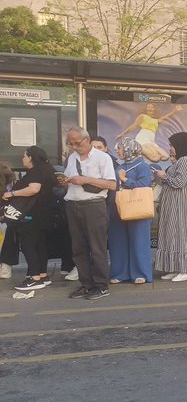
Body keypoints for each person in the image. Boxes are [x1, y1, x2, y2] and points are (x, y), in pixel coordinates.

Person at [62, 127, 117, 299]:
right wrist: (65, 181)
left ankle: (101, 285)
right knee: (78, 248)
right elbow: (70, 177)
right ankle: (86, 284)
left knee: (97, 246)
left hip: (94, 206)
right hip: (73, 204)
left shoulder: (103, 158)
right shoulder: (72, 158)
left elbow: (112, 184)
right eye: (70, 144)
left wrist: (85, 180)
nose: (73, 147)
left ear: (86, 139)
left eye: (76, 143)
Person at [5, 146, 56, 291]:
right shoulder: (47, 170)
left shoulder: (36, 172)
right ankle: (42, 274)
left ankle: (34, 277)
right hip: (44, 214)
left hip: (32, 214)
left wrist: (12, 194)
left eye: (24, 156)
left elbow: (34, 189)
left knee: (28, 244)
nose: (23, 159)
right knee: (40, 244)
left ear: (31, 158)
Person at [107, 138, 153, 285]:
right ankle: (120, 273)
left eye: (120, 148)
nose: (117, 151)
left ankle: (141, 273)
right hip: (118, 208)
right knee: (117, 241)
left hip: (137, 208)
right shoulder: (121, 165)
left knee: (139, 241)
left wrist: (124, 179)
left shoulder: (142, 166)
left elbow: (144, 185)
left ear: (129, 149)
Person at [153, 132, 187, 282]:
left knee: (179, 235)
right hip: (170, 205)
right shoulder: (179, 161)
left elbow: (179, 182)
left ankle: (184, 270)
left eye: (172, 145)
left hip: (178, 205)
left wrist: (163, 176)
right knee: (171, 235)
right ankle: (174, 267)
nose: (170, 148)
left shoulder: (185, 160)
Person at [117, 103, 184, 148]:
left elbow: (167, 117)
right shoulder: (142, 116)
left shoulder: (156, 120)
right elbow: (133, 126)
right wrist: (122, 134)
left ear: (154, 109)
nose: (150, 108)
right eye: (148, 107)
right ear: (146, 109)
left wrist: (175, 110)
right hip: (143, 137)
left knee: (162, 157)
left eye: (152, 107)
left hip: (151, 139)